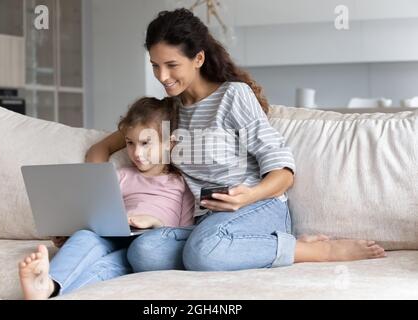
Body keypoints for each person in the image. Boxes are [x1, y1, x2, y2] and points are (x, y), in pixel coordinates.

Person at [84, 8, 386, 275]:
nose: (162, 76)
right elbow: (101, 149)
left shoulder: (232, 97)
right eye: (155, 65)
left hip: (257, 208)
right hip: (205, 222)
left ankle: (316, 251)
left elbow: (283, 171)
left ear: (198, 58)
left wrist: (249, 196)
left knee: (204, 252)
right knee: (143, 253)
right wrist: (101, 210)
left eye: (172, 65)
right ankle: (240, 248)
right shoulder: (168, 111)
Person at [0, 96, 195, 300]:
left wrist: (155, 223)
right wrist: (69, 231)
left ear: (170, 143)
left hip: (152, 242)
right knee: (85, 238)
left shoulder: (181, 183)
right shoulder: (120, 176)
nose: (137, 153)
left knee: (103, 268)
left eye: (145, 143)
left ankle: (47, 291)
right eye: (130, 143)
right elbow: (99, 212)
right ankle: (47, 285)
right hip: (116, 237)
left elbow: (185, 232)